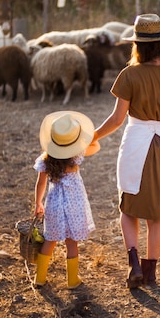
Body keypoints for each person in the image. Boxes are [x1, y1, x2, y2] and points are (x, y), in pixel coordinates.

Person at [91, 13, 160, 288]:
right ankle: (151, 273)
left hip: (136, 142)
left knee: (128, 208)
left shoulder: (129, 74)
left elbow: (117, 119)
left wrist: (92, 136)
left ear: (137, 45)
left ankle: (134, 265)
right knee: (157, 214)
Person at [33, 110, 100, 289]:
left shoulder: (45, 159)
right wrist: (82, 139)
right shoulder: (76, 156)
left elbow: (40, 184)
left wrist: (38, 203)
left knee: (50, 240)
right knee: (72, 242)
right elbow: (95, 146)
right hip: (74, 204)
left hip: (54, 203)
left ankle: (39, 278)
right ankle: (72, 280)